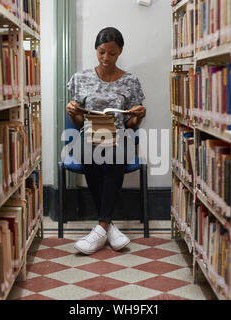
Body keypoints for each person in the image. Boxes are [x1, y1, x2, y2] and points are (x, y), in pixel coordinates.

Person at [66, 27, 146, 255]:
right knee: (88, 151)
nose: (106, 58)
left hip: (119, 134)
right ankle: (108, 228)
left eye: (112, 53)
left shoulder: (131, 81)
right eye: (101, 52)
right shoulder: (80, 78)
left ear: (120, 52)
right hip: (89, 133)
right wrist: (72, 111)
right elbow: (79, 123)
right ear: (96, 50)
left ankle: (101, 228)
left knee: (115, 153)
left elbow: (132, 124)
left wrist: (138, 115)